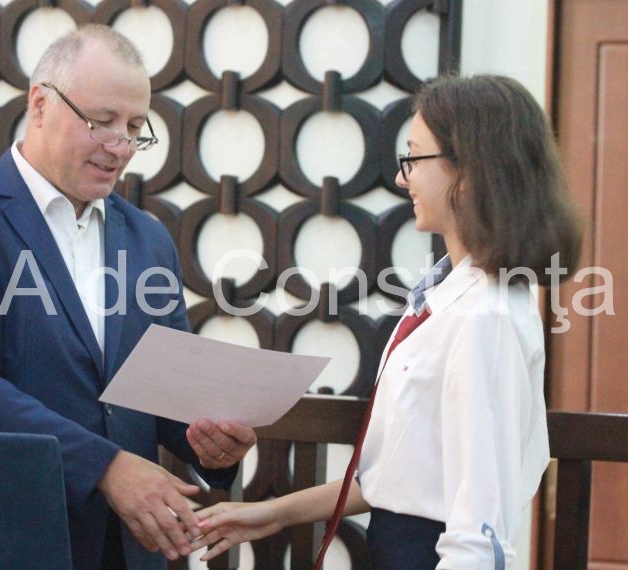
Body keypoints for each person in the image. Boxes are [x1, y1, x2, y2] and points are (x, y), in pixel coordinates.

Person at [0, 25, 256, 570]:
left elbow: (165, 391)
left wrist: (209, 443)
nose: (120, 146)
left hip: (129, 549)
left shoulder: (148, 238)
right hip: (3, 538)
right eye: (102, 121)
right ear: (40, 104)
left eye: (134, 127)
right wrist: (106, 467)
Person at [192, 74, 583, 569]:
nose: (402, 178)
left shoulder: (487, 315)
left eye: (414, 158)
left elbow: (478, 531)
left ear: (469, 170)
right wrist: (272, 514)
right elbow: (402, 478)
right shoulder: (449, 294)